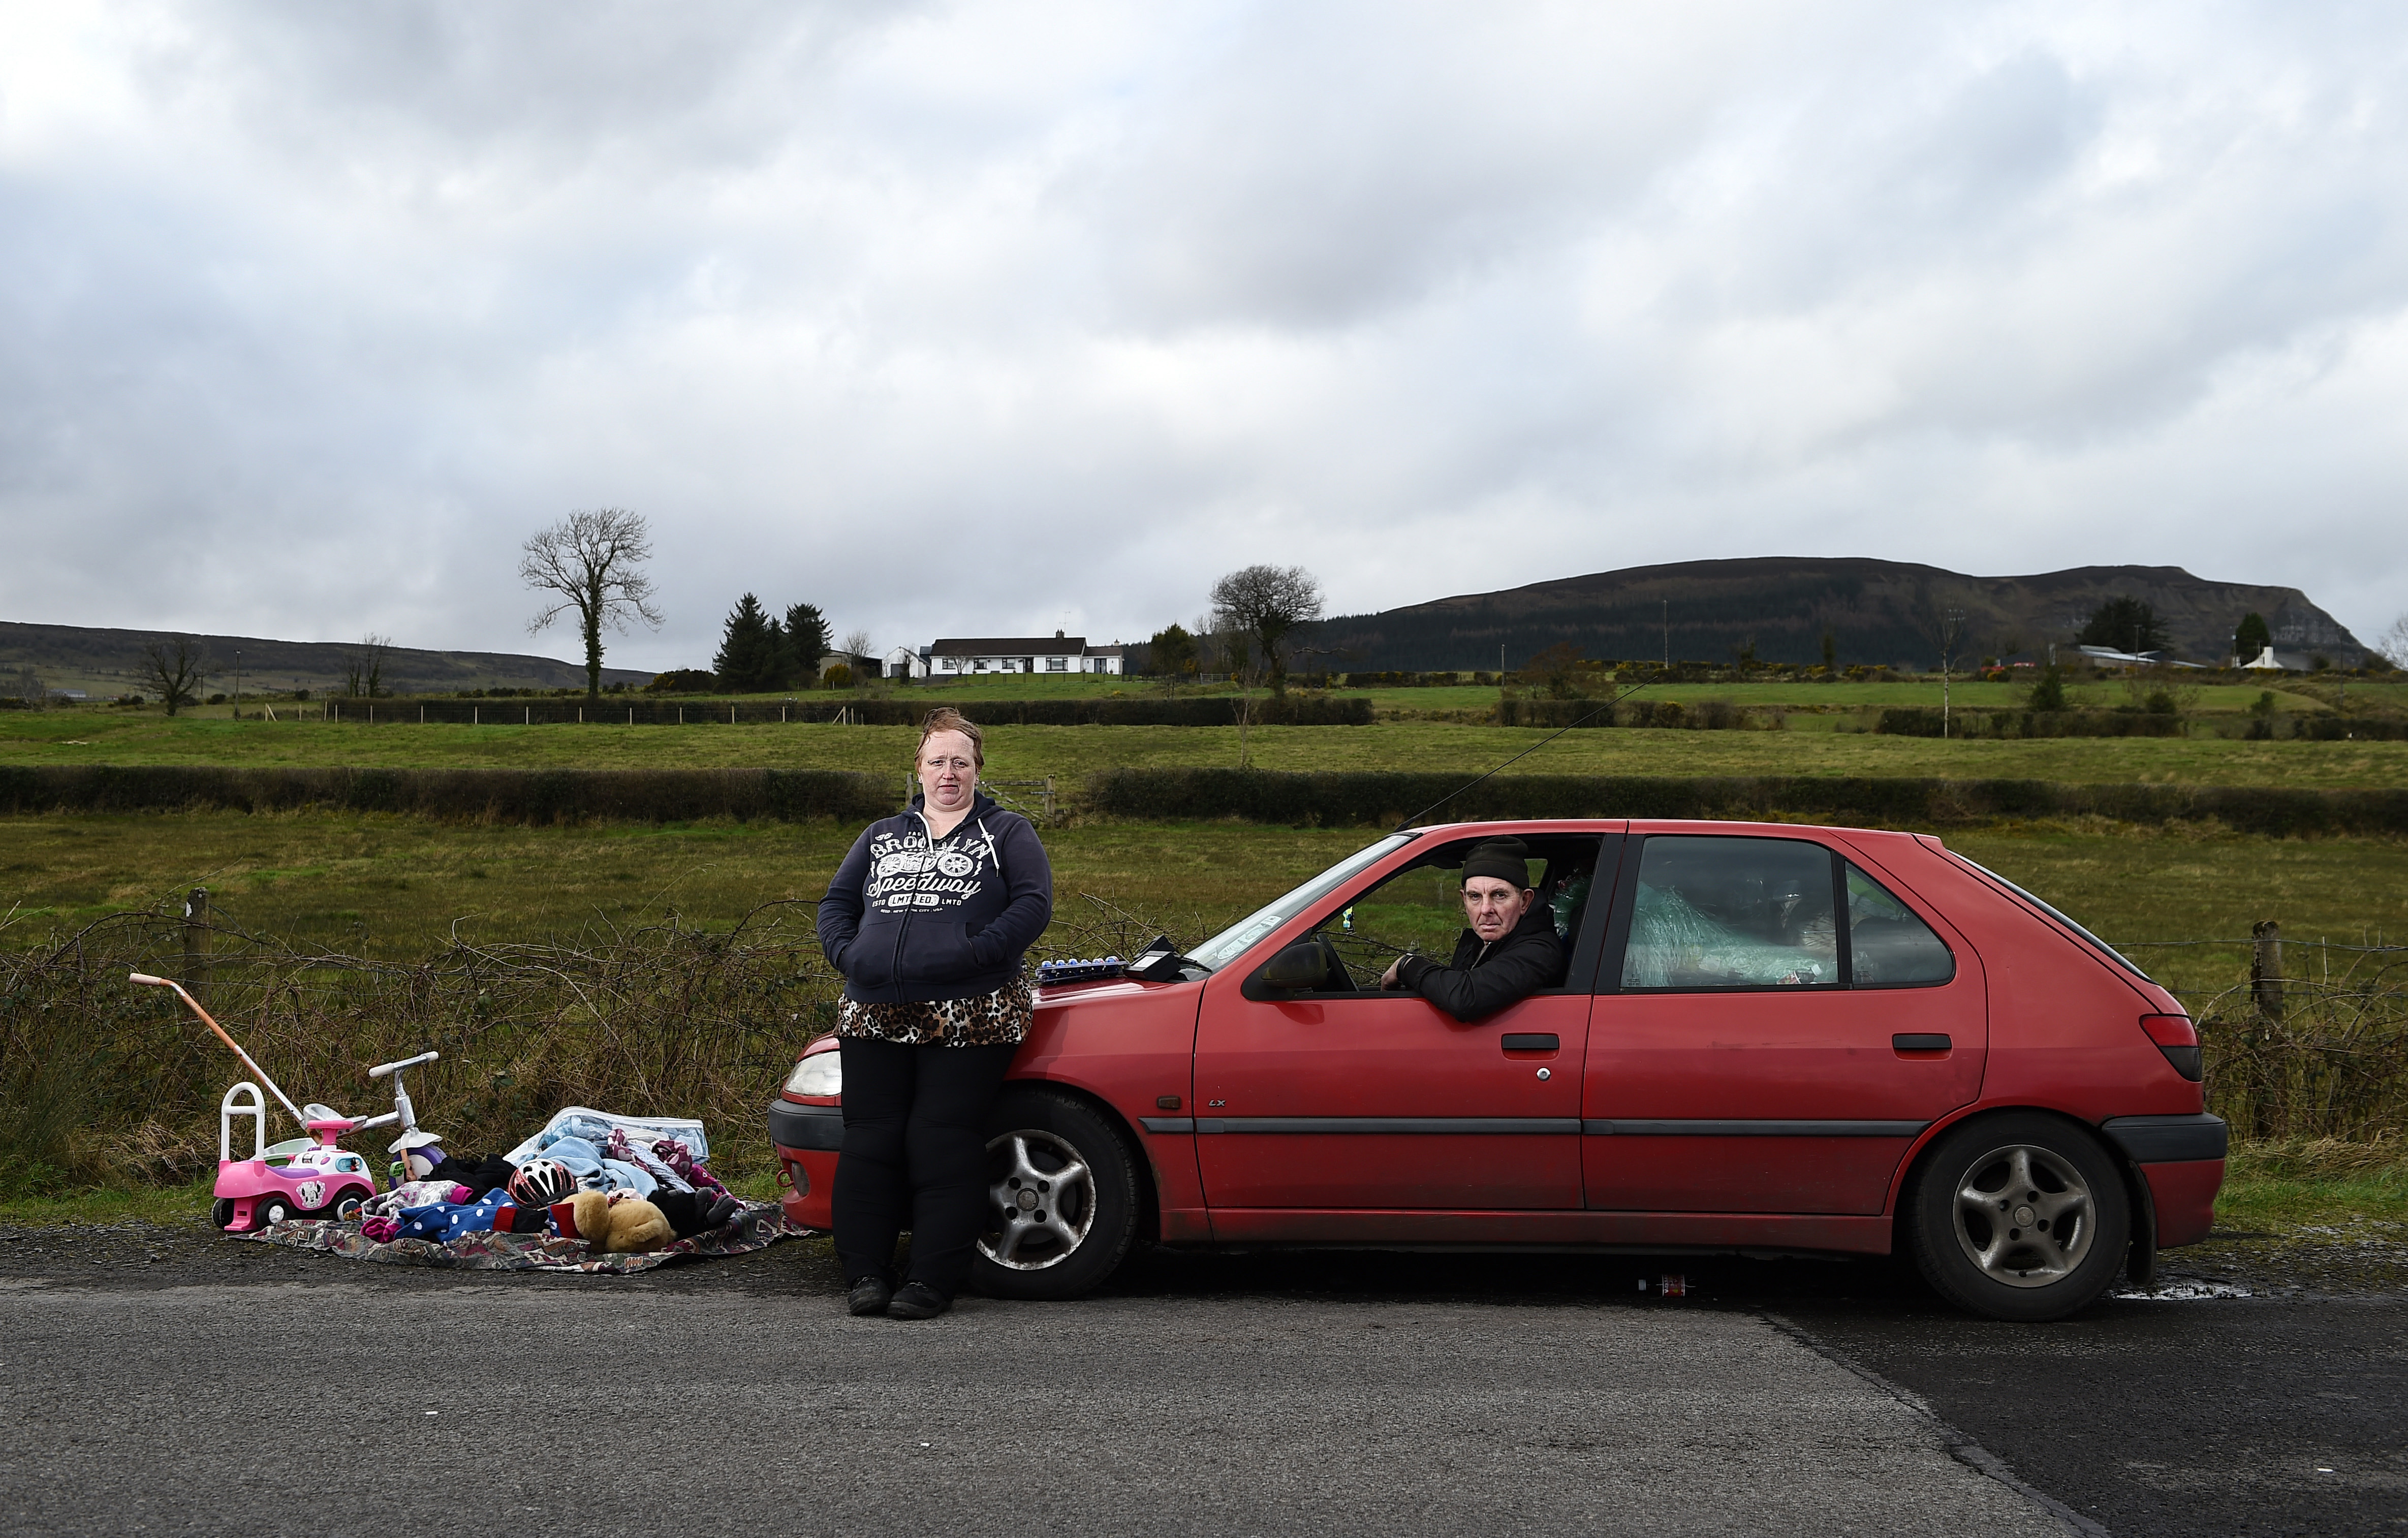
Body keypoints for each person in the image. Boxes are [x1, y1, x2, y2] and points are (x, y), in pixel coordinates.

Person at [817, 707, 1052, 1320]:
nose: (948, 773)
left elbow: (1032, 904)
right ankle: (865, 1274)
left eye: (960, 761)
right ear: (917, 768)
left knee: (939, 1141)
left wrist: (974, 952)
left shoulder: (1006, 833)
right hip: (875, 1010)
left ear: (977, 769)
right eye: (936, 761)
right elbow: (837, 903)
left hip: (972, 1011)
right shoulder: (880, 835)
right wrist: (850, 954)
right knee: (871, 1142)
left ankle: (930, 1281)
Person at [1377, 837, 1566, 1021]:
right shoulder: (1487, 942)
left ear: (1525, 901)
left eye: (1499, 895)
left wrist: (1406, 966)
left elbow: (1465, 998)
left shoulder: (1539, 950)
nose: (1486, 910)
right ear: (1464, 900)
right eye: (1475, 896)